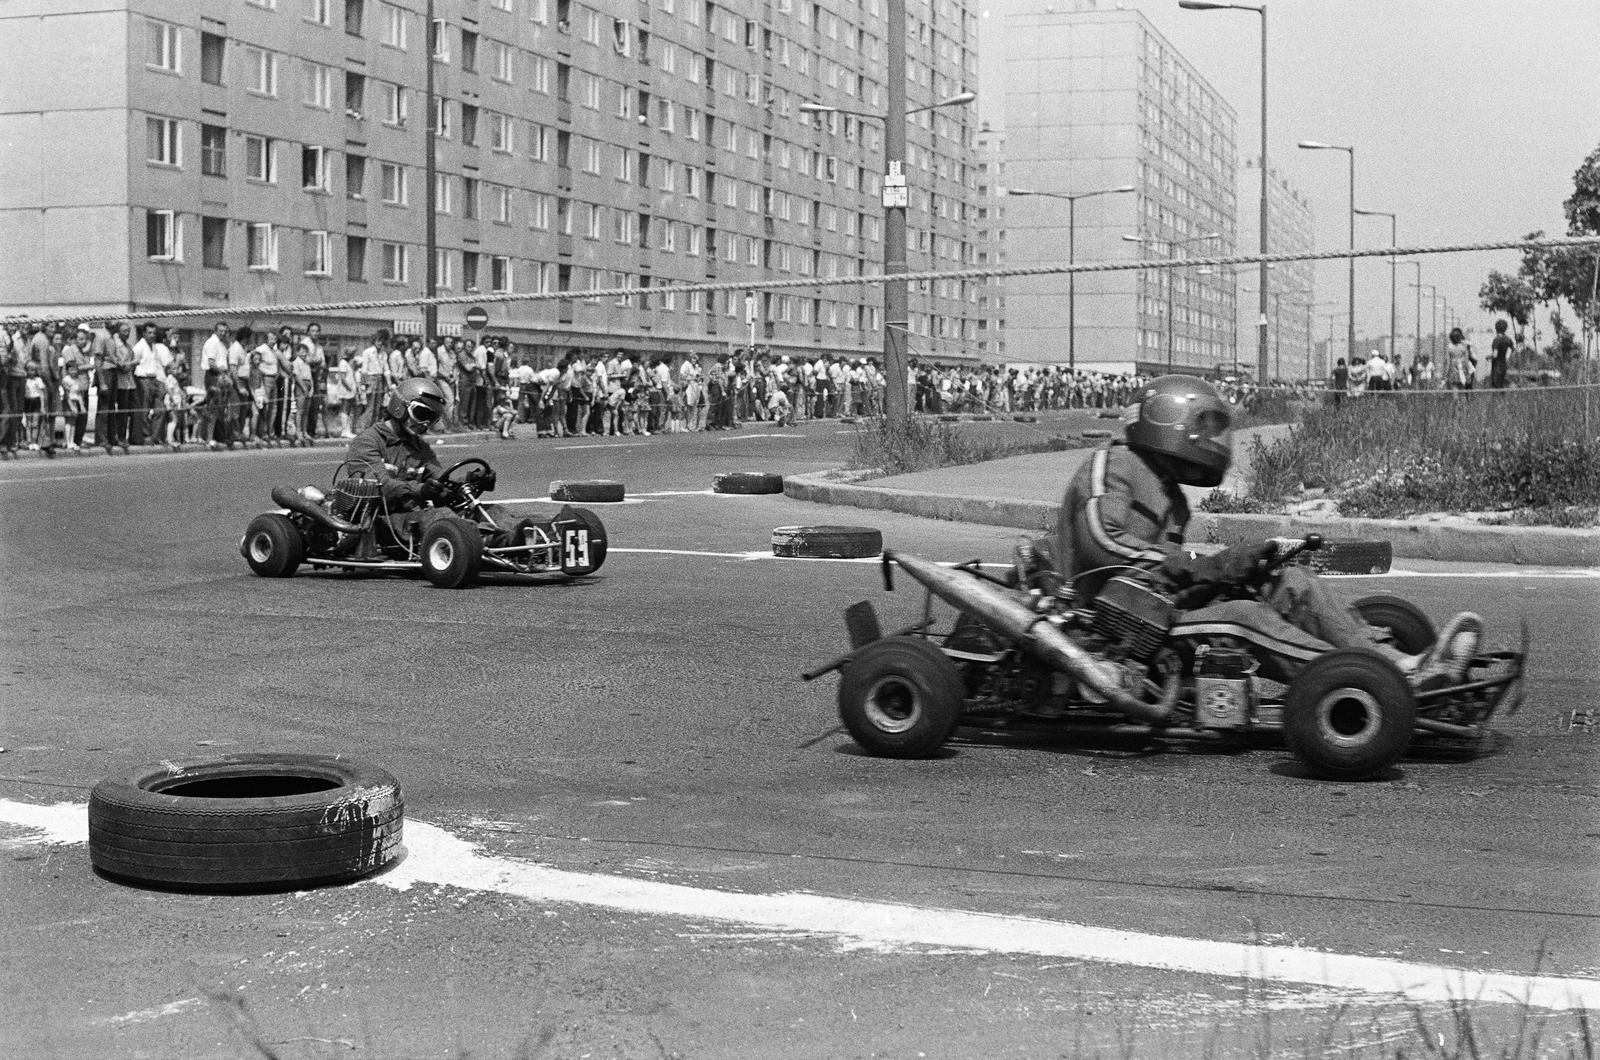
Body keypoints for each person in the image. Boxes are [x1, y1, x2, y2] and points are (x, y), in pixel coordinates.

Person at [1034, 374, 1484, 691]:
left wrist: (1227, 566)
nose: (1209, 440)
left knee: (1288, 579)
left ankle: (1400, 665)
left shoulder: (1171, 496)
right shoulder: (1112, 463)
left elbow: (1173, 573)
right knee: (1243, 618)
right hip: (1106, 624)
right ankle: (1376, 680)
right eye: (1200, 427)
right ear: (1164, 419)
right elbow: (1101, 539)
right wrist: (1198, 568)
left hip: (1151, 610)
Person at [343, 376, 454, 542]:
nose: (425, 424)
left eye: (431, 419)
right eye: (421, 414)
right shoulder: (367, 442)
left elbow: (440, 478)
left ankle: (503, 543)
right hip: (381, 520)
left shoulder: (421, 447)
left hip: (411, 517)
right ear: (400, 407)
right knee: (445, 520)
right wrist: (420, 490)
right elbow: (379, 487)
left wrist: (466, 483)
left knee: (488, 513)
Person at [1488, 320, 1513, 389]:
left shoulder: (1497, 339)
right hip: (1504, 364)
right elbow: (1512, 349)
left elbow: (1495, 355)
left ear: (1496, 328)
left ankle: (1496, 399)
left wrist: (1489, 357)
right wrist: (1508, 357)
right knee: (1502, 384)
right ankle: (1502, 399)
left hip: (1497, 365)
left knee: (1495, 385)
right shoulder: (1508, 339)